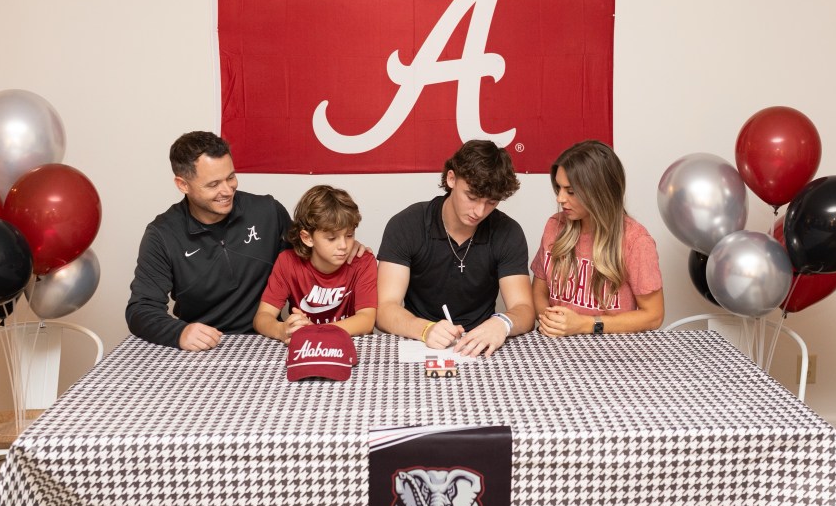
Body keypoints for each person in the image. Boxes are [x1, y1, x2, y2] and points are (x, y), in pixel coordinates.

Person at [126, 132, 370, 351]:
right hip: (204, 345)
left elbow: (309, 250)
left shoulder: (267, 211)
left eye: (230, 177)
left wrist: (348, 245)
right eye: (213, 184)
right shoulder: (163, 234)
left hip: (265, 342)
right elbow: (140, 309)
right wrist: (179, 332)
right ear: (183, 184)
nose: (227, 190)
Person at [376, 139, 534, 357]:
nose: (479, 211)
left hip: (481, 345)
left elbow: (524, 309)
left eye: (491, 202)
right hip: (419, 340)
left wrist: (502, 323)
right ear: (451, 178)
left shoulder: (507, 231)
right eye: (471, 197)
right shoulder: (407, 225)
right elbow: (385, 309)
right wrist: (424, 329)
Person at [531, 140, 664, 336]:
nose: (560, 199)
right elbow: (538, 291)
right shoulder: (554, 226)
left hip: (609, 354)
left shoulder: (636, 241)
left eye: (571, 192)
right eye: (558, 188)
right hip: (554, 346)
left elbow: (653, 316)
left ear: (599, 193)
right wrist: (552, 321)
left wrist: (586, 324)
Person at [254, 185, 377, 341]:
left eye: (349, 235)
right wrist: (281, 329)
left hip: (350, 345)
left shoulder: (363, 262)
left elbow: (366, 320)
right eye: (332, 238)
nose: (344, 246)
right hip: (305, 349)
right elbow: (262, 318)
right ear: (307, 238)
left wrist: (316, 331)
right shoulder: (287, 262)